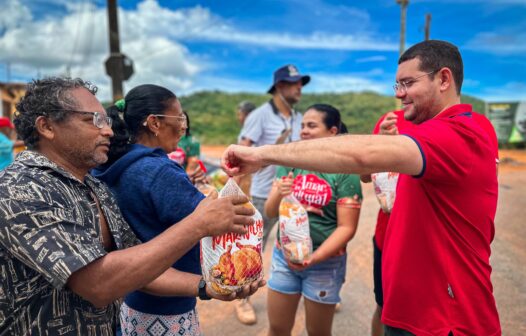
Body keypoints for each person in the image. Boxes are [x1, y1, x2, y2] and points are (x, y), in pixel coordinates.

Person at [221, 40, 501, 336]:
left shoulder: (463, 132)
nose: (400, 94)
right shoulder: (417, 127)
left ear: (443, 79)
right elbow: (369, 171)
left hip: (444, 317)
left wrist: (260, 155)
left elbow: (361, 155)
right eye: (397, 84)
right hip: (410, 305)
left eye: (408, 83)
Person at [0, 77, 261, 335]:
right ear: (46, 126)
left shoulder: (93, 186)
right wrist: (198, 223)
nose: (109, 131)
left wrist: (206, 286)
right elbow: (99, 283)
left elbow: (139, 267)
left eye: (107, 120)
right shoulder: (21, 188)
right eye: (94, 120)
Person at [92, 84, 262, 335]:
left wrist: (184, 185)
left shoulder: (119, 162)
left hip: (135, 298)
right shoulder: (159, 171)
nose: (183, 126)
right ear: (154, 123)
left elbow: (152, 206)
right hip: (168, 306)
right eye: (179, 118)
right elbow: (214, 220)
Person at [264, 104, 362, 336]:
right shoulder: (290, 162)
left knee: (317, 332)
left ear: (332, 132)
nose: (304, 131)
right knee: (278, 328)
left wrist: (312, 258)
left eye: (312, 125)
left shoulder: (344, 171)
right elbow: (270, 212)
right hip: (284, 258)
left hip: (324, 265)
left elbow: (346, 228)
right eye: (302, 126)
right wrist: (279, 192)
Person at [236, 64, 309, 324]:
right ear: (279, 86)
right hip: (261, 194)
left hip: (293, 193)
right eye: (294, 83)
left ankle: (312, 291)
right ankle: (242, 298)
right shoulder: (260, 116)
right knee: (253, 248)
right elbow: (240, 153)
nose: (299, 87)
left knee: (296, 239)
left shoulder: (299, 117)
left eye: (301, 82)